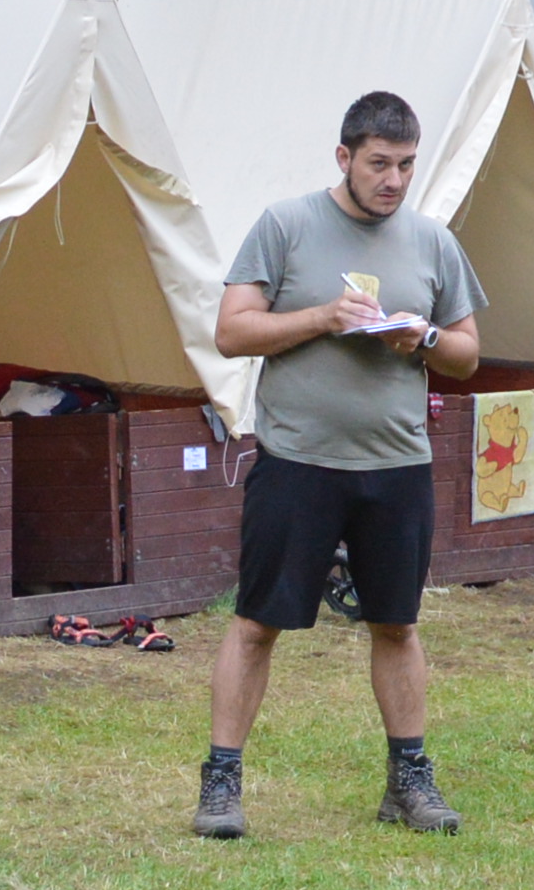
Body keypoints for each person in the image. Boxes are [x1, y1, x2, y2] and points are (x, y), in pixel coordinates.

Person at [198, 90, 485, 844]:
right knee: (258, 624)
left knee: (398, 624)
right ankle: (221, 785)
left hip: (398, 465)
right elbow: (231, 332)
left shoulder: (432, 242)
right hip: (298, 462)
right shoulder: (286, 225)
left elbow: (467, 353)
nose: (394, 180)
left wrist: (421, 338)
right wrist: (324, 317)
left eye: (407, 165)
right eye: (379, 164)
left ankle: (409, 783)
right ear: (344, 157)